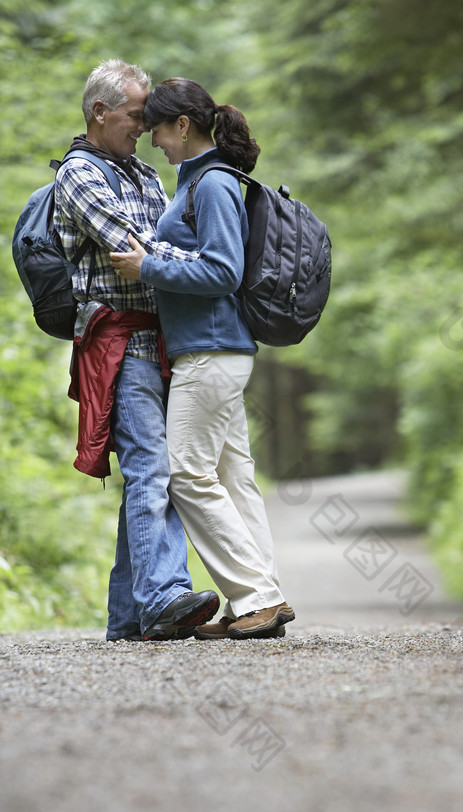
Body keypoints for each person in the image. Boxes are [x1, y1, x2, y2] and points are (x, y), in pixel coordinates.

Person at [109, 78, 294, 641]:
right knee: (234, 478)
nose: (153, 140)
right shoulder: (199, 182)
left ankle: (257, 596)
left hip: (209, 353)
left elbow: (222, 272)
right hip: (216, 352)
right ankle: (262, 600)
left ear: (183, 127)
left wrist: (149, 269)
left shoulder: (210, 184)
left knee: (186, 474)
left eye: (159, 130)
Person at [54, 60, 220, 641]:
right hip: (119, 343)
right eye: (134, 115)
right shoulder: (79, 174)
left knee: (151, 471)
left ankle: (129, 617)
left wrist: (186, 263)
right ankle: (164, 596)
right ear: (100, 112)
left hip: (160, 339)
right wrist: (209, 269)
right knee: (152, 467)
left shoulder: (147, 176)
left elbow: (167, 245)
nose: (145, 125)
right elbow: (136, 245)